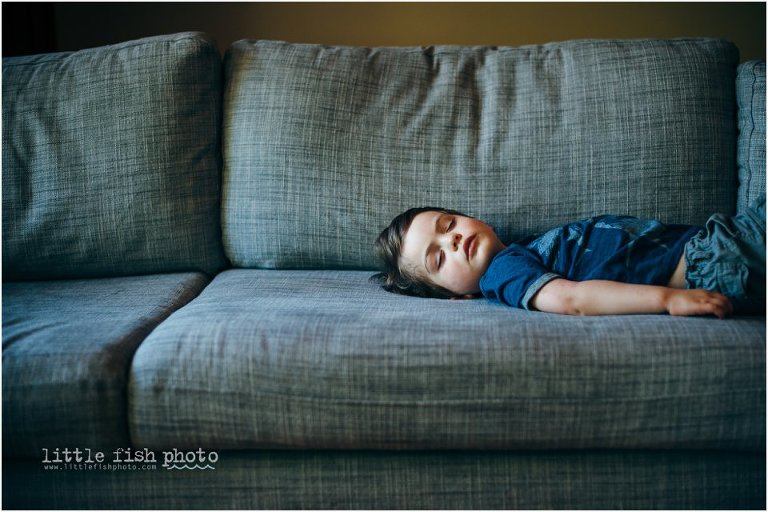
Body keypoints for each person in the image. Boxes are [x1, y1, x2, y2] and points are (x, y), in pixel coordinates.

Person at [371, 197, 765, 318]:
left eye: (448, 224)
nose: (454, 240)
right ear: (457, 296)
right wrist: (667, 298)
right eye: (439, 259)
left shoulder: (522, 250)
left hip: (717, 240)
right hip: (710, 260)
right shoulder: (503, 274)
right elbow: (571, 300)